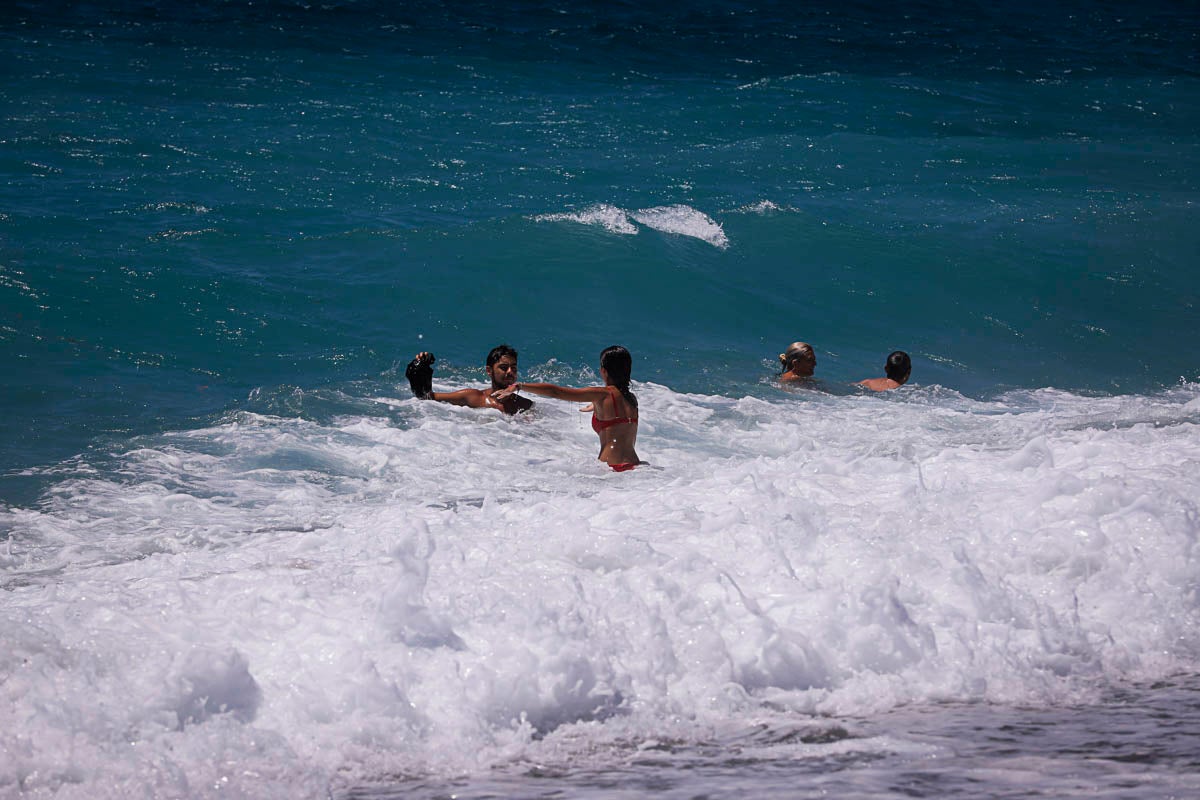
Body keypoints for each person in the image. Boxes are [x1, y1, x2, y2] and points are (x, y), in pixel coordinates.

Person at [492, 345, 641, 471]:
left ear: (604, 371)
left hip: (612, 469)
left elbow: (555, 391)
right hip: (636, 467)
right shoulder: (631, 400)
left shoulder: (602, 395)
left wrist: (520, 386)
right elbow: (617, 421)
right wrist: (595, 405)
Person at [405, 344, 533, 415]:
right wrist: (421, 370)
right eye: (504, 368)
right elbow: (426, 398)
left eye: (514, 368)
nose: (510, 372)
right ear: (489, 371)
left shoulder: (524, 405)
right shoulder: (472, 397)